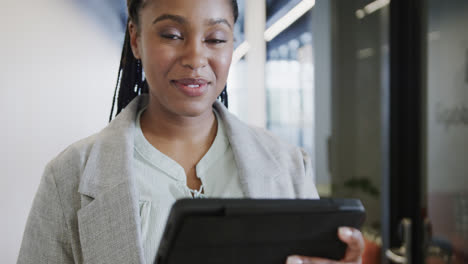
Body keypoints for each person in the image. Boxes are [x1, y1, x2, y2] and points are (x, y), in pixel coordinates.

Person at [18, 0, 365, 263]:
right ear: (136, 39)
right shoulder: (67, 178)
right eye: (172, 35)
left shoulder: (289, 165)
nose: (195, 57)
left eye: (215, 38)